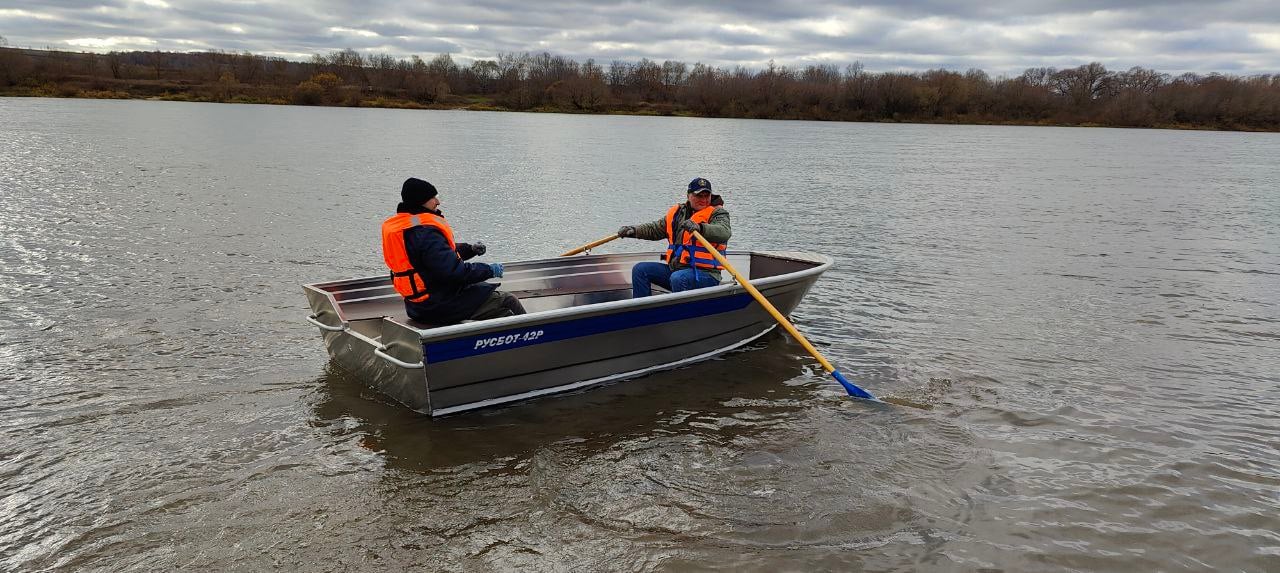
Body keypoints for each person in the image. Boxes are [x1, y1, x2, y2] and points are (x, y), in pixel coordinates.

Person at [380, 177, 526, 325]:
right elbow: (455, 272)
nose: (438, 201)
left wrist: (469, 250)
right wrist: (489, 270)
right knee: (508, 301)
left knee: (490, 298)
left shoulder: (406, 227)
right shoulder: (425, 232)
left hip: (417, 306)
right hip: (440, 304)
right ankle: (535, 341)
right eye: (433, 198)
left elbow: (434, 257)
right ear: (420, 201)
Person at [617, 177, 731, 298]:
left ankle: (682, 315)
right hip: (677, 269)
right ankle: (640, 313)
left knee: (678, 278)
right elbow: (655, 229)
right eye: (699, 196)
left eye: (706, 196)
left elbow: (724, 232)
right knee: (640, 270)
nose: (703, 199)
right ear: (689, 196)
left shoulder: (718, 213)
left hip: (706, 274)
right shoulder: (678, 213)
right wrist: (633, 231)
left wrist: (700, 228)